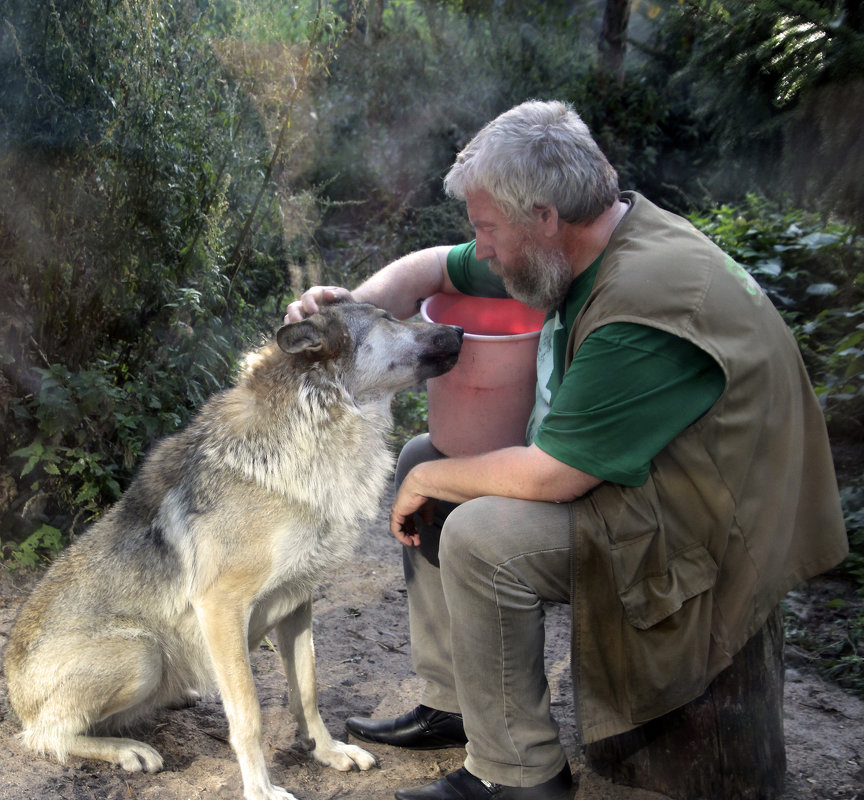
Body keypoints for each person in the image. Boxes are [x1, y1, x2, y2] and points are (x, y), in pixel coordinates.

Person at [285, 100, 848, 800]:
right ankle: (456, 704)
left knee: (479, 533)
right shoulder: (581, 242)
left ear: (543, 216)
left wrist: (440, 478)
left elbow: (555, 475)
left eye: (487, 228)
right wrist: (349, 312)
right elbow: (432, 268)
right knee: (422, 463)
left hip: (710, 529)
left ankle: (516, 774)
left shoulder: (644, 302)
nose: (480, 246)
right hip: (654, 474)